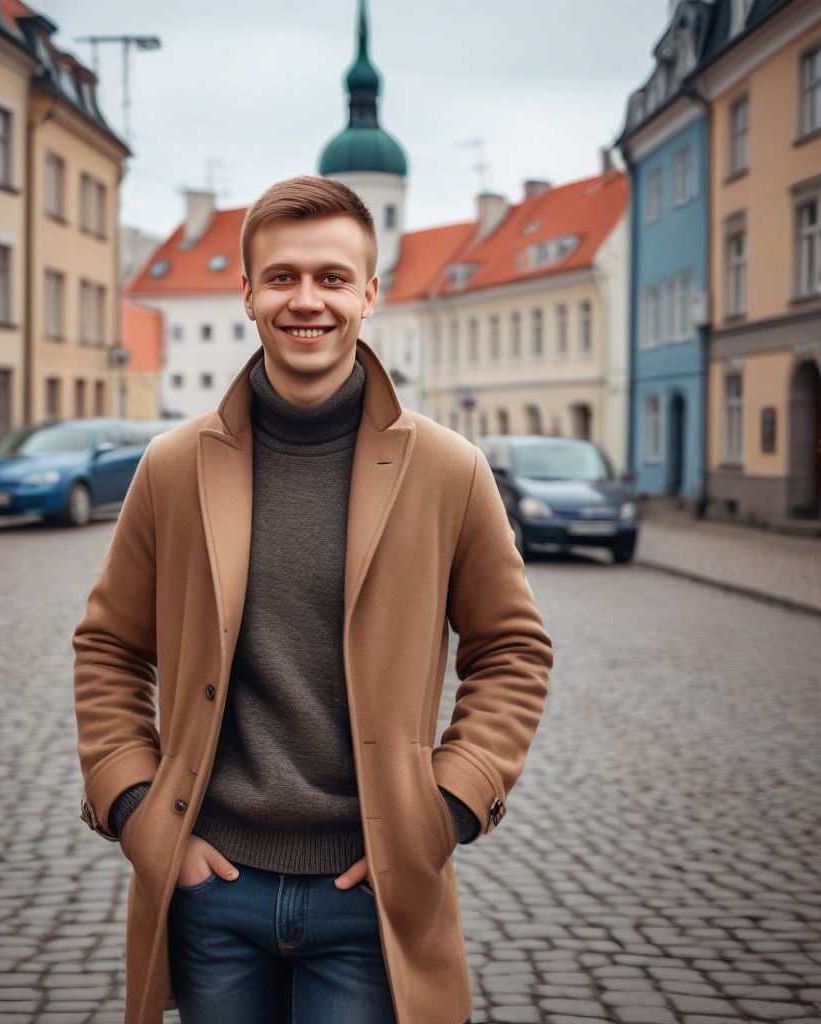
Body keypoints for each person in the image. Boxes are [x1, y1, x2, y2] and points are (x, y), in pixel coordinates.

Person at [73, 175, 553, 1024]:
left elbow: (511, 651)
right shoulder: (173, 466)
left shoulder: (449, 470)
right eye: (284, 277)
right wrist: (138, 809)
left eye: (333, 278)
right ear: (248, 292)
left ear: (370, 293)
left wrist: (444, 811)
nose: (308, 301)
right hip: (209, 892)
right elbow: (110, 646)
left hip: (373, 900)